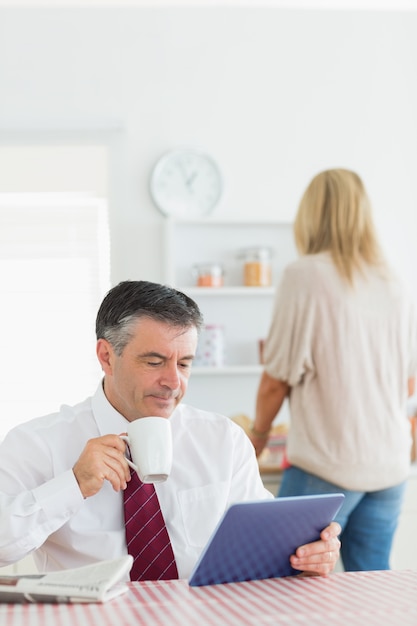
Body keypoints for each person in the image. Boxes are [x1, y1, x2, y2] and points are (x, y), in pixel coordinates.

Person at [0, 280, 341, 579]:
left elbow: (265, 547)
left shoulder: (223, 440)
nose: (173, 382)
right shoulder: (36, 444)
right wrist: (73, 485)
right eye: (154, 362)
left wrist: (307, 554)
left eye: (184, 363)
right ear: (106, 356)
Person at [249, 168, 417, 572]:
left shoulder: (304, 275)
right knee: (372, 587)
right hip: (390, 466)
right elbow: (408, 381)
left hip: (327, 464)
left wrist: (257, 436)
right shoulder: (392, 282)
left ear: (311, 215)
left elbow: (276, 381)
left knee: (282, 579)